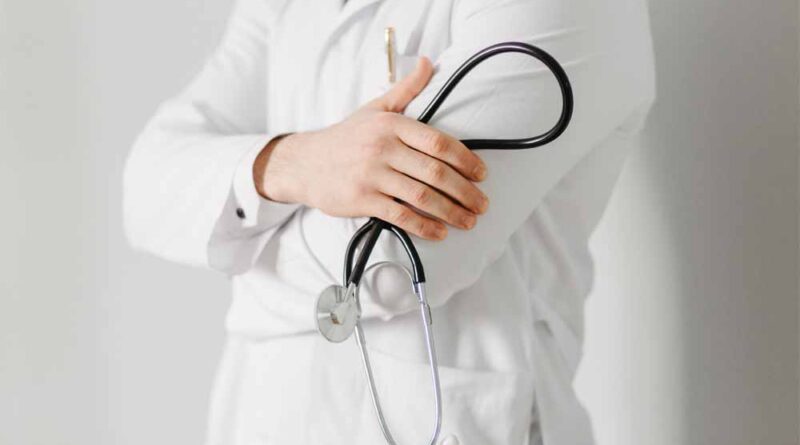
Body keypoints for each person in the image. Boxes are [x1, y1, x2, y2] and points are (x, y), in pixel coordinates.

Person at [123, 0, 656, 443]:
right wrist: (295, 162)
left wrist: (233, 233)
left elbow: (393, 262)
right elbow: (144, 188)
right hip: (265, 418)